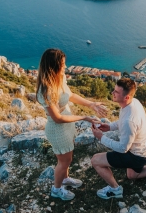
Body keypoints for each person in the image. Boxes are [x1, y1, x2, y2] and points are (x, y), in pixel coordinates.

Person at [36, 49, 108, 201]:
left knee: (66, 157)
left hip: (67, 126)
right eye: (62, 64)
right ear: (53, 66)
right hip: (57, 130)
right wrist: (84, 117)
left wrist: (91, 104)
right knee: (64, 161)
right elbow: (57, 118)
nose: (65, 66)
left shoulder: (59, 78)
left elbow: (71, 95)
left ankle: (65, 179)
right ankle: (56, 189)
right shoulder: (45, 90)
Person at [91, 78, 146, 199]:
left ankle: (116, 190)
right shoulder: (133, 102)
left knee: (95, 160)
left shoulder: (129, 120)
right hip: (144, 150)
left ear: (126, 97)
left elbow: (122, 148)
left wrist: (101, 138)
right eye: (114, 90)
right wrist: (109, 127)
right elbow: (122, 121)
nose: (112, 93)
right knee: (131, 175)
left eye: (116, 92)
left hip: (136, 155)